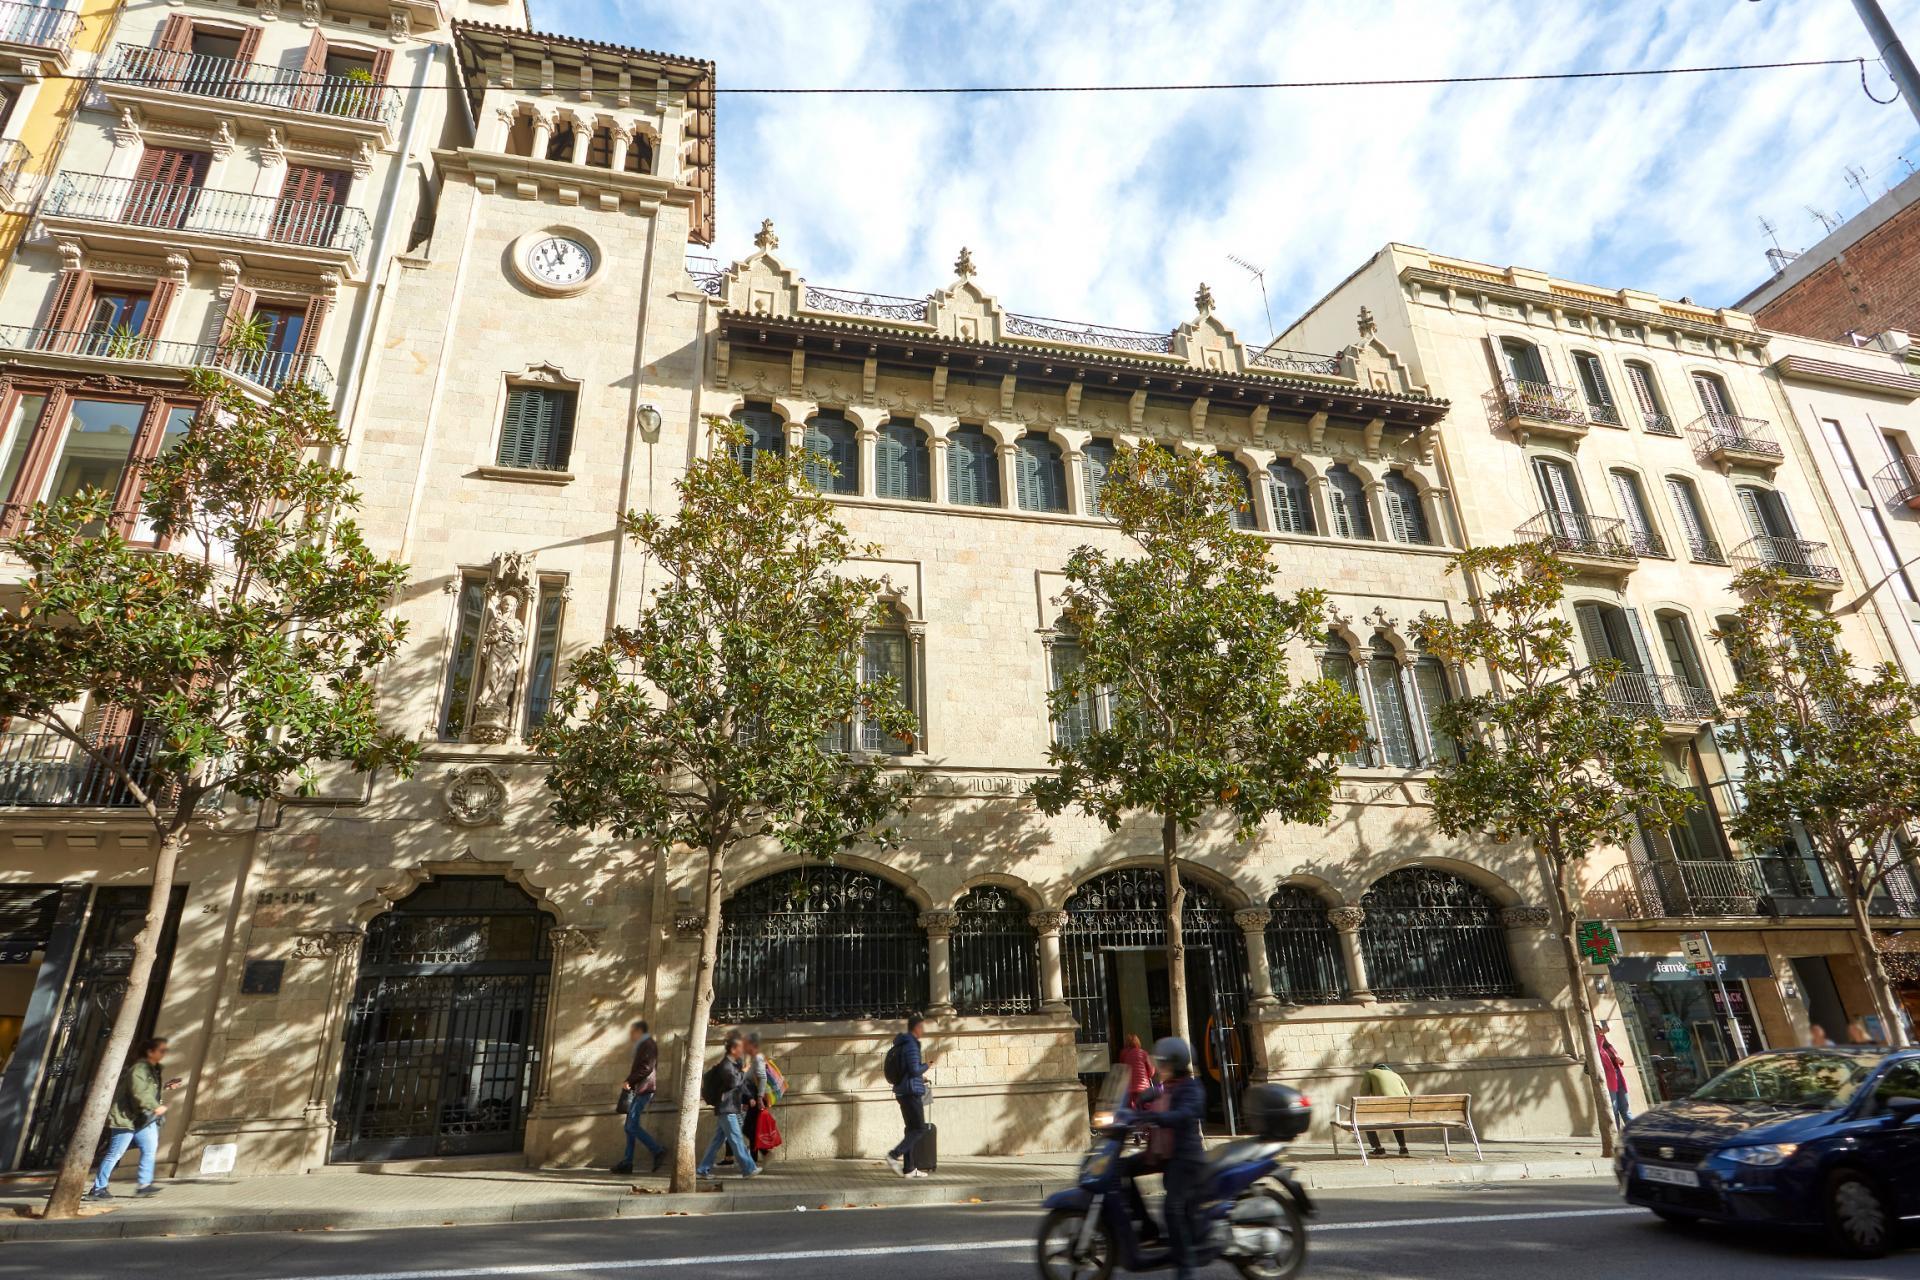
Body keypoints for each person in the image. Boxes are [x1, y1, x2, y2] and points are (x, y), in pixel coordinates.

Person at [1129, 1037, 1206, 1280]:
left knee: (1172, 1209)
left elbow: (1185, 1113)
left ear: (1176, 1064)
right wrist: (1133, 1106)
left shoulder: (1191, 1088)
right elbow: (1153, 1093)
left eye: (1164, 1063)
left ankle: (1186, 1268)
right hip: (1162, 1152)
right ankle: (1147, 1228)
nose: (1160, 1067)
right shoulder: (1167, 1086)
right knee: (1122, 1168)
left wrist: (1159, 1118)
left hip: (1184, 1157)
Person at [86, 1036, 172, 1200]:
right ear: (150, 1052)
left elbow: (148, 1091)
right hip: (126, 1119)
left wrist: (165, 1087)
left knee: (149, 1149)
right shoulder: (139, 1069)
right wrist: (156, 1107)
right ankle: (98, 1188)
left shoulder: (153, 1070)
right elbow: (138, 1092)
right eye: (162, 1050)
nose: (164, 1053)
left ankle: (144, 1186)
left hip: (143, 1119)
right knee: (115, 1153)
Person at [694, 1031, 759, 1180]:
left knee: (717, 1141)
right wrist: (743, 1072)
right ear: (733, 1049)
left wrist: (749, 1097)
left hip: (731, 1106)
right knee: (736, 1138)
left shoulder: (736, 1064)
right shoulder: (725, 1065)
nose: (742, 1050)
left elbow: (741, 1084)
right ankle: (749, 1168)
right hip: (725, 1107)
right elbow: (734, 1082)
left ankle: (702, 1170)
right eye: (740, 1047)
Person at [610, 1019, 664, 1175]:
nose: (631, 1035)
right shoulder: (644, 1044)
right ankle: (627, 1162)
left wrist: (630, 1081)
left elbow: (647, 1067)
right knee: (629, 1127)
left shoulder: (648, 1044)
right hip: (639, 1089)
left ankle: (657, 1150)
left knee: (631, 1126)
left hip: (644, 1089)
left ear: (639, 1031)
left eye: (633, 1031)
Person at [884, 1012, 932, 1178]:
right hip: (911, 1092)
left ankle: (909, 1169)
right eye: (922, 1027)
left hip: (902, 1090)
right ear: (916, 1027)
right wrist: (927, 1065)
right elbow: (914, 1070)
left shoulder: (902, 1044)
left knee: (910, 1129)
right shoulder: (911, 1044)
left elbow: (907, 1070)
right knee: (919, 1128)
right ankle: (893, 1155)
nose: (923, 1030)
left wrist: (920, 1077)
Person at [1357, 1061, 1410, 1158]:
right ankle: (1403, 1148)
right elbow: (1408, 1095)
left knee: (1365, 1120)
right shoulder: (1396, 1075)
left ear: (1374, 1068)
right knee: (1396, 1117)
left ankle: (1378, 1149)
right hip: (1402, 1112)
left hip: (1384, 1110)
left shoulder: (1370, 1073)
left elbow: (1363, 1095)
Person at [1595, 1024, 1631, 1127]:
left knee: (1625, 1108)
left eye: (1598, 1030)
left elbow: (1616, 1059)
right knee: (1614, 1109)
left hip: (1618, 1077)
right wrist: (1601, 1034)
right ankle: (1616, 1132)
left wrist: (1620, 1061)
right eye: (1595, 1031)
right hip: (1609, 1080)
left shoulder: (1608, 1046)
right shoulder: (1595, 1048)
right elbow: (1597, 1050)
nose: (1598, 1032)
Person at [1118, 1033, 1154, 1106]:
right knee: (1145, 1107)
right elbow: (1151, 1072)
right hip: (1143, 1087)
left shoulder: (1123, 1054)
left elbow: (1122, 1069)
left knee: (1130, 1108)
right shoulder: (1143, 1053)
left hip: (1129, 1088)